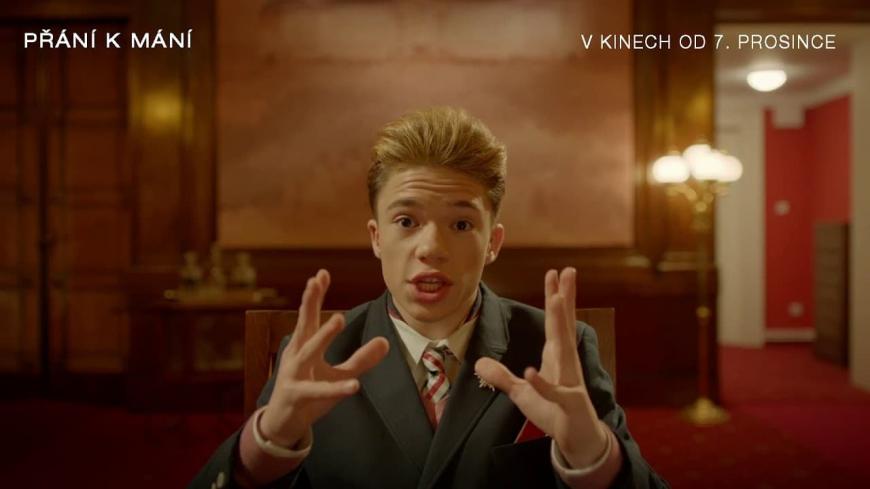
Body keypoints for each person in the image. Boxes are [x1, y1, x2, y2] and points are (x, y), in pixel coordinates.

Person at [191, 107, 668, 489]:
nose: (432, 248)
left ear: (493, 242)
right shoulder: (318, 355)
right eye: (406, 222)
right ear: (377, 238)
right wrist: (266, 445)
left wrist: (593, 457)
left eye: (461, 224)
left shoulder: (556, 349)